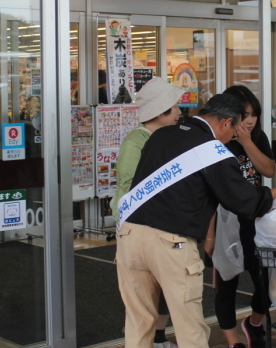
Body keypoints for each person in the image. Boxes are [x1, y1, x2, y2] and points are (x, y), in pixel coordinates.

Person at [116, 94, 276, 348]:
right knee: (189, 327)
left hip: (129, 236)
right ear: (226, 123)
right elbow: (245, 202)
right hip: (171, 243)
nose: (232, 138)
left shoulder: (161, 134)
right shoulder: (213, 151)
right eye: (234, 131)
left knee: (138, 322)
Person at [111, 77, 183, 348]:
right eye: (174, 107)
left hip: (162, 228)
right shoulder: (135, 143)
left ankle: (159, 338)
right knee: (142, 298)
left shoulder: (164, 136)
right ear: (161, 111)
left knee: (163, 292)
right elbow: (128, 190)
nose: (178, 112)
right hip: (139, 230)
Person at [206, 85, 275, 348]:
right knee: (226, 285)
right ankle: (233, 341)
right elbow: (210, 193)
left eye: (254, 114)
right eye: (244, 114)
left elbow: (268, 170)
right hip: (224, 222)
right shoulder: (216, 141)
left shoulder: (257, 137)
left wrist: (246, 141)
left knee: (265, 282)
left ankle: (254, 322)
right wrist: (210, 235)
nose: (249, 120)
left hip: (256, 218)